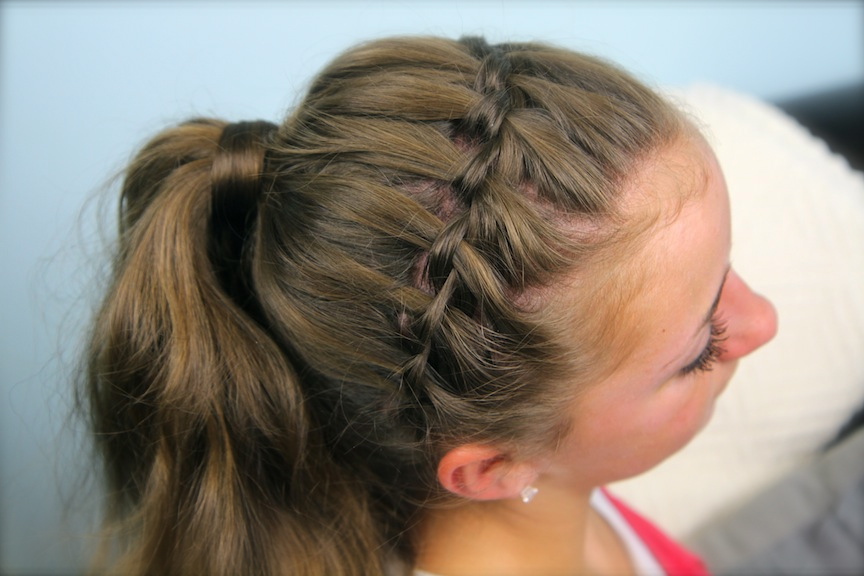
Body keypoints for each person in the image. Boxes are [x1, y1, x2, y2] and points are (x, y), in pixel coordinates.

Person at [80, 35, 777, 576]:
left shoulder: (564, 496)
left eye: (723, 274)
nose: (764, 321)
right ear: (493, 470)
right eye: (699, 349)